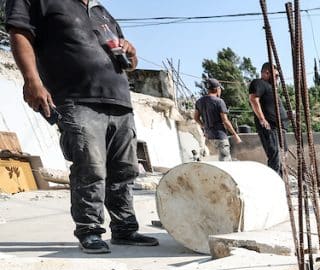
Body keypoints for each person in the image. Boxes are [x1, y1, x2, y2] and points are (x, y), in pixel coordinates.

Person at [6, 0, 159, 254]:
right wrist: (32, 81)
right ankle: (89, 230)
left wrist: (132, 54)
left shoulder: (101, 11)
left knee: (124, 171)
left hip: (119, 101)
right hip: (77, 98)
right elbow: (19, 33)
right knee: (90, 168)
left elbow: (128, 63)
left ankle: (124, 229)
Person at [248, 62, 286, 174]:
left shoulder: (271, 88)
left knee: (281, 156)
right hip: (269, 127)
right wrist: (262, 119)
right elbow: (253, 99)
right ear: (266, 72)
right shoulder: (259, 83)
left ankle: (280, 181)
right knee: (274, 156)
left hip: (278, 127)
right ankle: (274, 183)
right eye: (276, 75)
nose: (277, 78)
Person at [194, 78, 242, 162]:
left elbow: (196, 118)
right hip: (220, 136)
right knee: (225, 161)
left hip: (209, 137)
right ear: (217, 89)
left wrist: (204, 126)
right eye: (220, 89)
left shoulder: (199, 102)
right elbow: (225, 121)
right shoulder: (219, 102)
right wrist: (235, 135)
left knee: (214, 160)